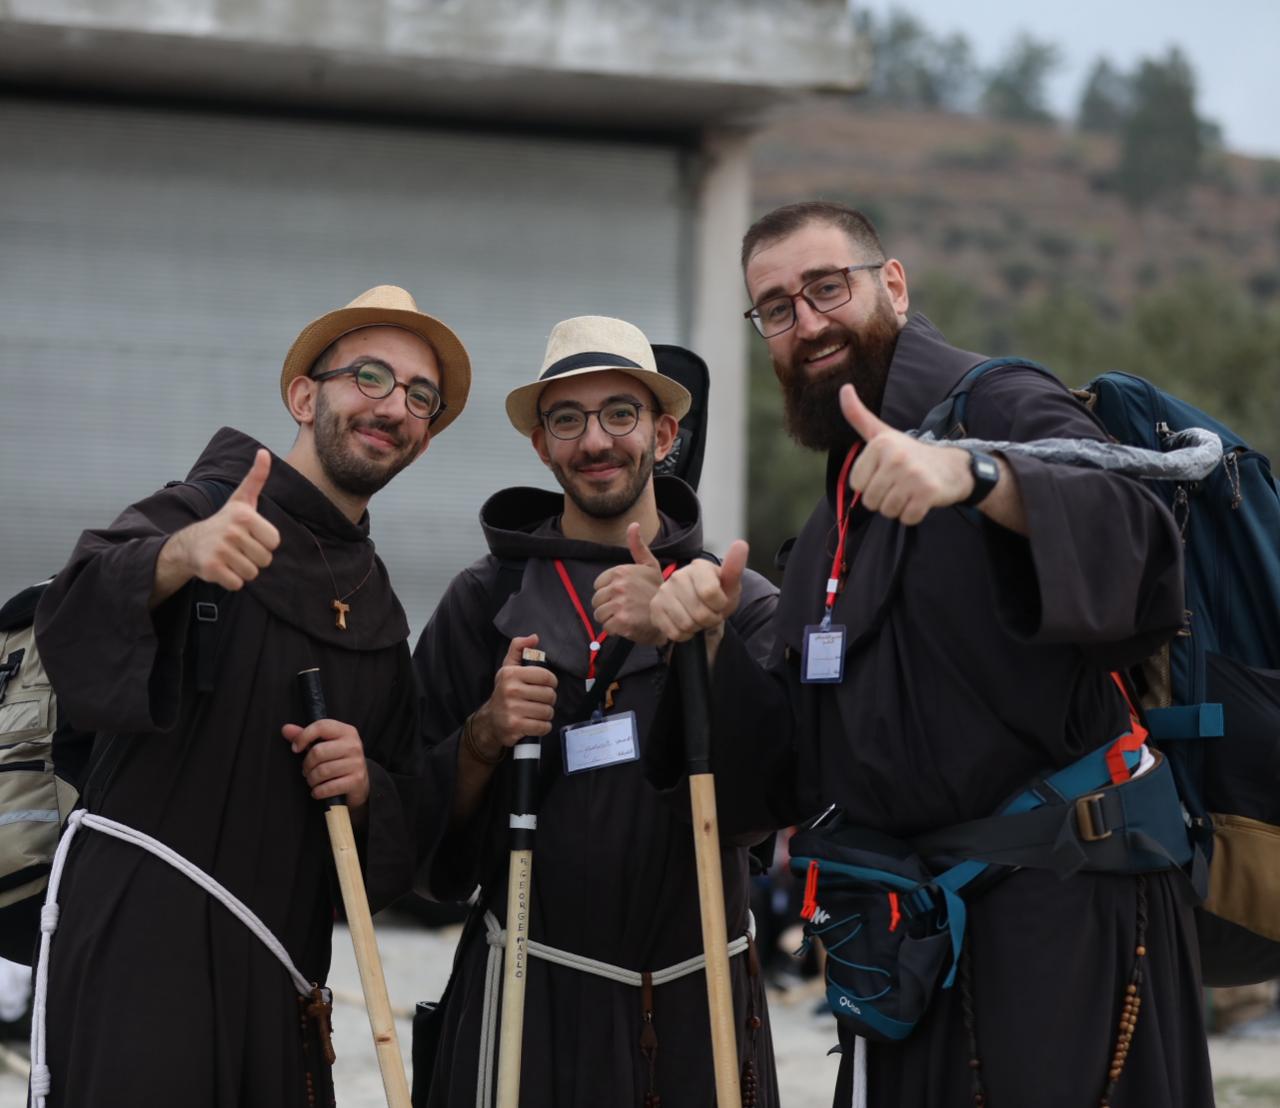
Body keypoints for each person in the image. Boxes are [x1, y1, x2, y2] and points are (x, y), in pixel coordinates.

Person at [649, 201, 1214, 1107]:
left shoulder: (996, 400)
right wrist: (707, 641)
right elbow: (793, 777)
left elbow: (1140, 543)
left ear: (895, 286)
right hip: (912, 945)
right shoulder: (834, 511)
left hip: (1060, 921)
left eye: (827, 288)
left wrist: (981, 476)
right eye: (778, 309)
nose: (808, 321)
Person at [33, 285, 470, 1107]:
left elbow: (404, 821)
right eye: (369, 376)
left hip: (279, 974)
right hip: (139, 949)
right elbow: (72, 613)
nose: (395, 406)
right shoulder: (207, 507)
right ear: (305, 396)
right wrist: (178, 557)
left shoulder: (378, 608)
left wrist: (368, 784)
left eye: (421, 397)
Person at [412, 316, 780, 1107]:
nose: (596, 441)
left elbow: (774, 800)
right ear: (541, 446)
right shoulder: (483, 604)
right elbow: (415, 836)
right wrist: (484, 736)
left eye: (621, 413)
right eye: (568, 420)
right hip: (527, 1005)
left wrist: (701, 642)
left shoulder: (734, 600)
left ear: (665, 430)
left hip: (698, 1012)